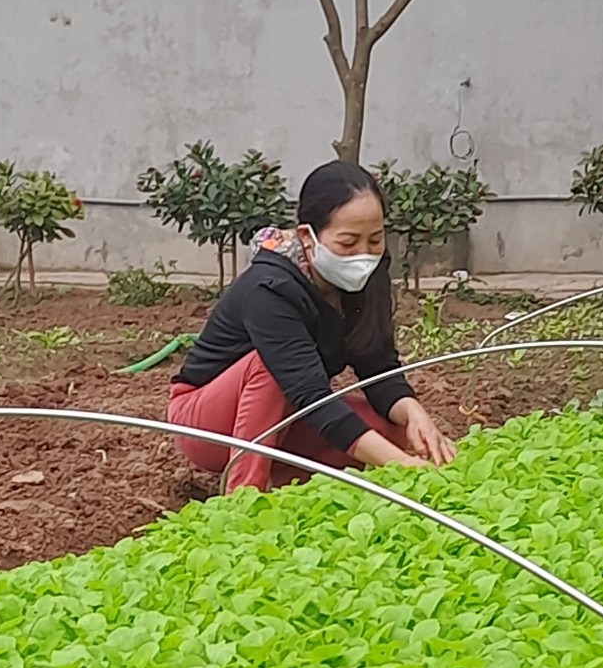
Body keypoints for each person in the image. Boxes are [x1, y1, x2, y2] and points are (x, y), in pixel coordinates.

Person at [168, 160, 455, 493]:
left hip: (288, 414)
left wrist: (413, 412)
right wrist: (403, 465)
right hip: (208, 425)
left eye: (375, 240)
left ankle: (287, 481)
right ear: (307, 236)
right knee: (268, 365)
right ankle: (244, 496)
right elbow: (311, 395)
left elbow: (378, 366)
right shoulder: (269, 288)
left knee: (392, 430)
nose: (363, 255)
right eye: (348, 243)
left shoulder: (369, 275)